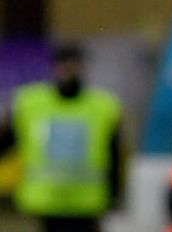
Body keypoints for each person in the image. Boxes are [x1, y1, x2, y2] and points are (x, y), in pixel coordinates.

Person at [0, 44, 123, 232]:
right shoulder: (30, 102)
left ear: (82, 67)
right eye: (63, 64)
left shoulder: (103, 106)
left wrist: (114, 193)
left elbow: (114, 153)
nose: (68, 70)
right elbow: (8, 140)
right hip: (45, 199)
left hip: (86, 200)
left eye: (73, 64)